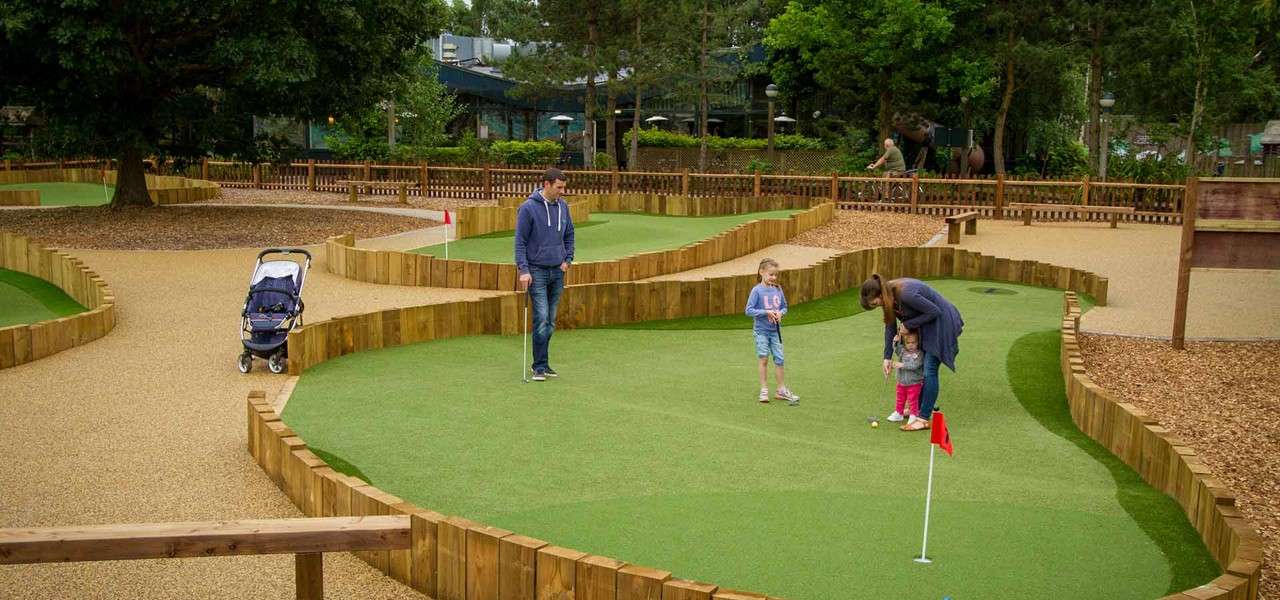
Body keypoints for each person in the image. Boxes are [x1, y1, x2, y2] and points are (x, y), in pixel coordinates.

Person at [859, 274, 963, 431]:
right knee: (924, 368)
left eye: (875, 303)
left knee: (929, 369)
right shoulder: (888, 298)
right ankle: (917, 409)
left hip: (943, 322)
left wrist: (909, 324)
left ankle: (923, 418)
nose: (877, 306)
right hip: (928, 324)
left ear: (880, 294)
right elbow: (890, 327)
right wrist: (887, 357)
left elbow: (934, 311)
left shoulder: (906, 294)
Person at [515, 168, 575, 382]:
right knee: (541, 318)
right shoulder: (528, 208)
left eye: (563, 187)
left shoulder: (563, 207)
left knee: (550, 320)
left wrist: (568, 260)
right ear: (547, 184)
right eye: (559, 187)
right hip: (537, 271)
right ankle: (539, 367)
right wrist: (523, 270)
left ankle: (543, 362)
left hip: (557, 271)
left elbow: (569, 234)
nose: (562, 191)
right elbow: (520, 241)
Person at [744, 258, 800, 406]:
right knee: (763, 359)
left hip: (775, 331)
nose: (774, 277)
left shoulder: (778, 289)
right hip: (761, 331)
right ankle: (764, 389)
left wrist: (781, 313)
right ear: (762, 272)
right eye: (771, 274)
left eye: (775, 275)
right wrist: (766, 312)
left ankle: (781, 390)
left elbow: (784, 307)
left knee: (779, 359)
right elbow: (749, 310)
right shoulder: (756, 290)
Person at [888, 328, 924, 423]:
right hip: (901, 382)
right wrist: (895, 342)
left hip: (914, 383)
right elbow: (896, 348)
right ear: (905, 343)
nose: (911, 345)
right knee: (900, 398)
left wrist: (902, 365)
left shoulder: (919, 354)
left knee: (912, 400)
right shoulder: (903, 351)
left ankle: (913, 415)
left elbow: (914, 366)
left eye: (913, 342)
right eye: (908, 343)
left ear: (917, 342)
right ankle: (899, 413)